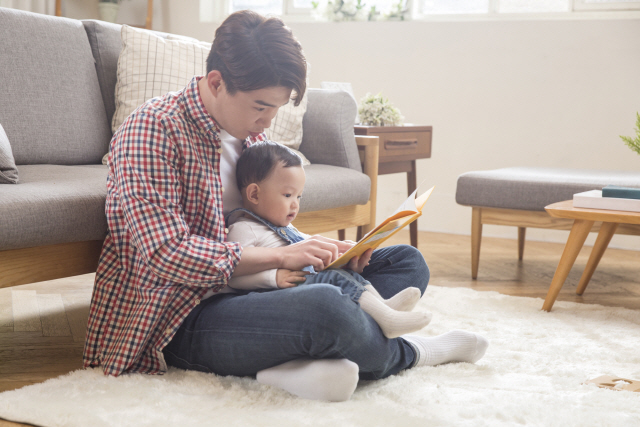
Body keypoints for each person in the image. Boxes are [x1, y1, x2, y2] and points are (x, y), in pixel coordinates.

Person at [83, 9, 488, 402]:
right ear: (216, 81)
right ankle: (415, 352)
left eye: (277, 108)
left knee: (406, 263)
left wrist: (321, 251)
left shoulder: (251, 139)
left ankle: (308, 361)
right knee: (327, 308)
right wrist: (287, 259)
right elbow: (165, 254)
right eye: (261, 106)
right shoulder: (153, 129)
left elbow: (268, 232)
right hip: (182, 314)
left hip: (256, 292)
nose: (268, 120)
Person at [224, 140, 431, 339]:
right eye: (288, 195)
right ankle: (386, 319)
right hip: (276, 294)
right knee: (334, 280)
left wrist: (344, 254)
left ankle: (383, 307)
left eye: (299, 197)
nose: (295, 205)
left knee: (402, 258)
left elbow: (308, 245)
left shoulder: (284, 227)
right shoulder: (243, 229)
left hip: (311, 280)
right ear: (254, 194)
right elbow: (232, 275)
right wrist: (273, 278)